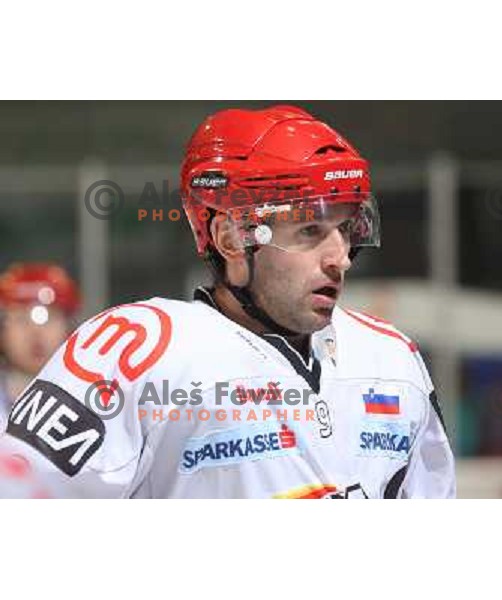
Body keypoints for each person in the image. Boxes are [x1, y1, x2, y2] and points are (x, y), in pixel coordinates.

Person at [0, 105, 455, 498]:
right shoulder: (137, 352)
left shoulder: (392, 358)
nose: (340, 258)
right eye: (310, 231)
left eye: (346, 229)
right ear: (232, 238)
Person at [0, 263, 80, 432]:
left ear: (69, 326)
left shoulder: (91, 397)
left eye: (50, 318)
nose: (35, 332)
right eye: (21, 319)